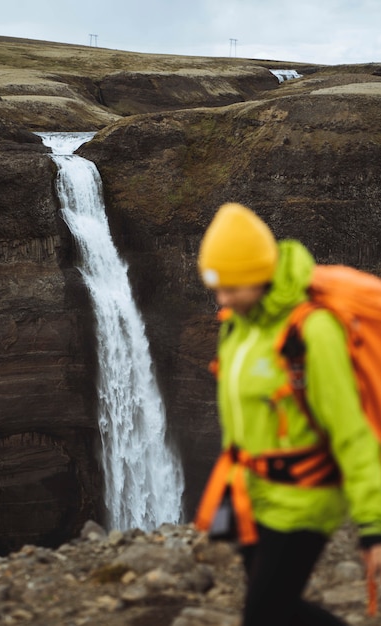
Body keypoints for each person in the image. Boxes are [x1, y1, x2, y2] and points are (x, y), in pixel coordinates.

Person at [196, 202, 381, 626]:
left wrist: (373, 525)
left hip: (303, 498)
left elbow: (351, 431)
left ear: (260, 274)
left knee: (262, 614)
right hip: (249, 495)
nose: (221, 299)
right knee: (278, 610)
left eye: (232, 287)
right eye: (215, 286)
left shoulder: (311, 331)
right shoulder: (237, 326)